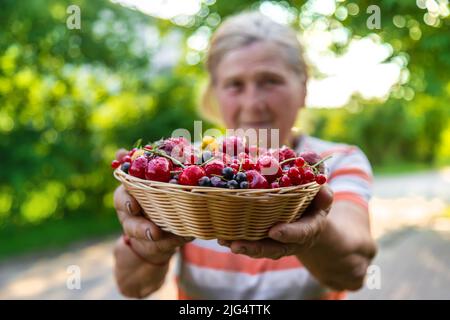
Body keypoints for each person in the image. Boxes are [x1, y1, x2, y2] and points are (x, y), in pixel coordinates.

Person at [113, 11, 377, 299]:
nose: (253, 103)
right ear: (215, 93)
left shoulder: (336, 162)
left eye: (270, 81)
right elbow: (134, 286)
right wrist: (151, 239)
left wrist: (312, 233)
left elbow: (353, 270)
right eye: (235, 85)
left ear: (303, 88)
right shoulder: (189, 171)